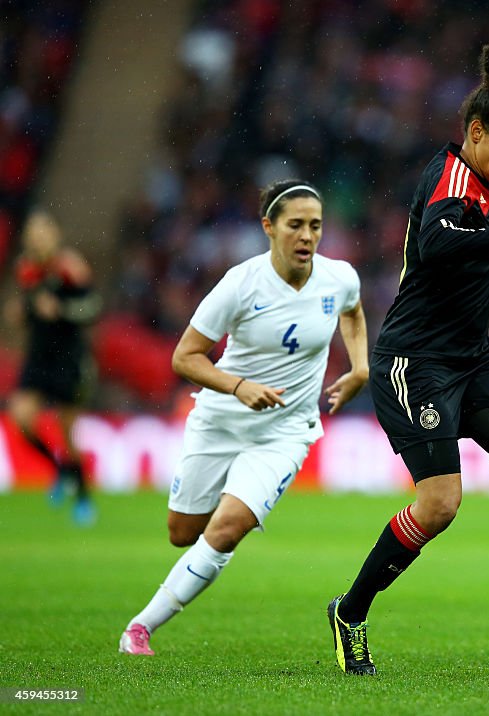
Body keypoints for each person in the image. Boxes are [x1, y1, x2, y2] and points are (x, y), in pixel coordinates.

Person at [326, 43, 489, 679]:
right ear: (476, 132)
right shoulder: (447, 176)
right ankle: (351, 609)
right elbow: (440, 239)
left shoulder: (488, 179)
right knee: (442, 503)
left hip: (472, 359)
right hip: (414, 362)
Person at [118, 180, 368, 655]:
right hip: (221, 420)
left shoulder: (339, 278)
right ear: (268, 227)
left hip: (286, 432)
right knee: (182, 533)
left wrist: (361, 366)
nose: (306, 236)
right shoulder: (241, 283)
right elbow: (185, 357)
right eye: (295, 225)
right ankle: (216, 520)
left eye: (315, 226)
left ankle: (140, 628)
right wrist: (239, 386)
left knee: (227, 528)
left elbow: (353, 314)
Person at [8, 211, 101, 526]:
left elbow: (91, 308)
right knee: (21, 417)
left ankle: (84, 499)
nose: (38, 238)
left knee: (67, 432)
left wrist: (61, 310)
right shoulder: (26, 270)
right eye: (33, 233)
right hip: (38, 357)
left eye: (43, 232)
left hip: (68, 359)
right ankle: (60, 470)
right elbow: (30, 306)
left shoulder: (69, 268)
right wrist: (23, 312)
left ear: (54, 235)